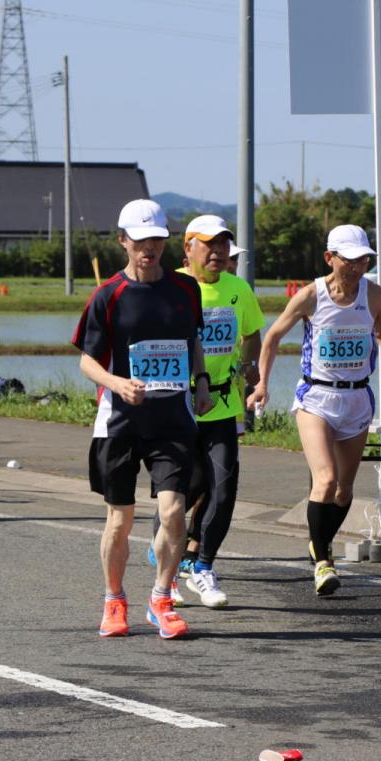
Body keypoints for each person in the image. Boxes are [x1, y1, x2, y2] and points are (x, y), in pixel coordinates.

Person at [248, 224, 381, 595]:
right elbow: (273, 336)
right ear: (330, 258)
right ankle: (323, 562)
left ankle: (318, 543)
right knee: (325, 480)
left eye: (363, 259)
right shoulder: (311, 295)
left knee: (345, 490)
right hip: (316, 398)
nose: (357, 266)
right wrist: (263, 384)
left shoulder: (374, 295)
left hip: (357, 399)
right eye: (349, 260)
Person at [74, 199, 212, 639]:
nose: (148, 249)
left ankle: (161, 597)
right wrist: (116, 383)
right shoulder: (108, 295)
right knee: (120, 519)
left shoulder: (185, 289)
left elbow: (193, 341)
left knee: (173, 511)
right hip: (120, 422)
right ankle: (114, 600)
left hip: (172, 419)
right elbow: (87, 362)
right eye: (140, 241)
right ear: (123, 242)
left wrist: (202, 381)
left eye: (156, 240)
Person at [167, 214, 263, 609]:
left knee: (222, 489)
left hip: (223, 404)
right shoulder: (171, 287)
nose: (218, 252)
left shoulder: (238, 288)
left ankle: (203, 566)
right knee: (178, 492)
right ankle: (168, 570)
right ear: (188, 248)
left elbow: (253, 333)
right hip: (179, 405)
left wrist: (251, 366)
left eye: (223, 245)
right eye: (209, 245)